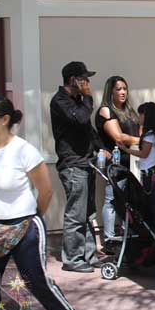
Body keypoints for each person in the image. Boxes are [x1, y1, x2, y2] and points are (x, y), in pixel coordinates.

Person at [0, 96, 83, 310]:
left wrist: (31, 219)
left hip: (24, 228)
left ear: (4, 120)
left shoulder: (24, 151)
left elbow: (45, 191)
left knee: (36, 283)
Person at [50, 61, 104, 273]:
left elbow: (88, 130)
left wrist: (102, 148)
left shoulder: (77, 100)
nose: (87, 83)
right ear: (72, 80)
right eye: (84, 78)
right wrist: (88, 97)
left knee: (88, 213)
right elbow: (82, 119)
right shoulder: (60, 101)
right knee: (76, 213)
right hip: (72, 165)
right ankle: (72, 258)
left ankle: (88, 255)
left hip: (86, 162)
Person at [95, 76, 140, 253]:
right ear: (110, 91)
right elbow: (119, 138)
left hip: (134, 163)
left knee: (129, 201)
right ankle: (109, 239)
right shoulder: (106, 111)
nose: (122, 92)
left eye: (124, 88)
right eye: (118, 89)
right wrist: (144, 140)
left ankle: (126, 234)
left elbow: (139, 128)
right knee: (112, 199)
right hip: (116, 164)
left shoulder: (129, 110)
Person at [118, 102, 155, 237]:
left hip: (150, 171)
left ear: (147, 116)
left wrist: (126, 149)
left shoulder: (149, 135)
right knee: (151, 199)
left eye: (141, 114)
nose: (139, 117)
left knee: (152, 200)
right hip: (153, 168)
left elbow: (144, 154)